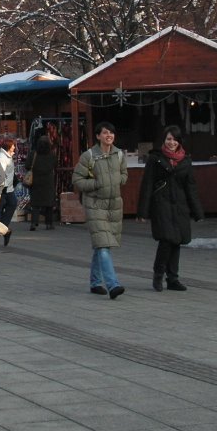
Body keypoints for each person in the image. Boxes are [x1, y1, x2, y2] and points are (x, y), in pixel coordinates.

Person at [138, 124, 204, 292]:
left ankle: (173, 278)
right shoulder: (155, 158)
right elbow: (147, 185)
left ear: (179, 141)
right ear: (163, 140)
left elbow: (191, 187)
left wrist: (197, 211)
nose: (171, 142)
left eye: (174, 139)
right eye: (168, 139)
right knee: (167, 239)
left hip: (180, 205)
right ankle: (158, 275)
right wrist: (142, 211)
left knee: (177, 241)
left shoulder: (185, 160)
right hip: (161, 203)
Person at [72, 121, 127, 298]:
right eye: (105, 133)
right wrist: (96, 184)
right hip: (95, 204)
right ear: (97, 136)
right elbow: (77, 180)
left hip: (113, 205)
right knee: (103, 244)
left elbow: (124, 174)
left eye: (111, 133)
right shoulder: (89, 156)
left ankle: (95, 282)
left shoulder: (119, 155)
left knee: (101, 245)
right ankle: (113, 285)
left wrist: (120, 180)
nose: (108, 135)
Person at [28, 135, 57, 230]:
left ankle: (34, 223)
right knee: (49, 203)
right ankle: (49, 224)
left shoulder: (33, 154)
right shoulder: (52, 155)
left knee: (35, 204)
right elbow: (55, 166)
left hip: (35, 181)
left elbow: (27, 165)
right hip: (48, 181)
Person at [0, 136, 18, 228]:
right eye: (13, 145)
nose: (14, 147)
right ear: (9, 146)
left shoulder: (8, 156)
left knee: (11, 203)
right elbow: (0, 173)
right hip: (3, 187)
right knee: (0, 207)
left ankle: (1, 225)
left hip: (8, 187)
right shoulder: (2, 158)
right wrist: (2, 185)